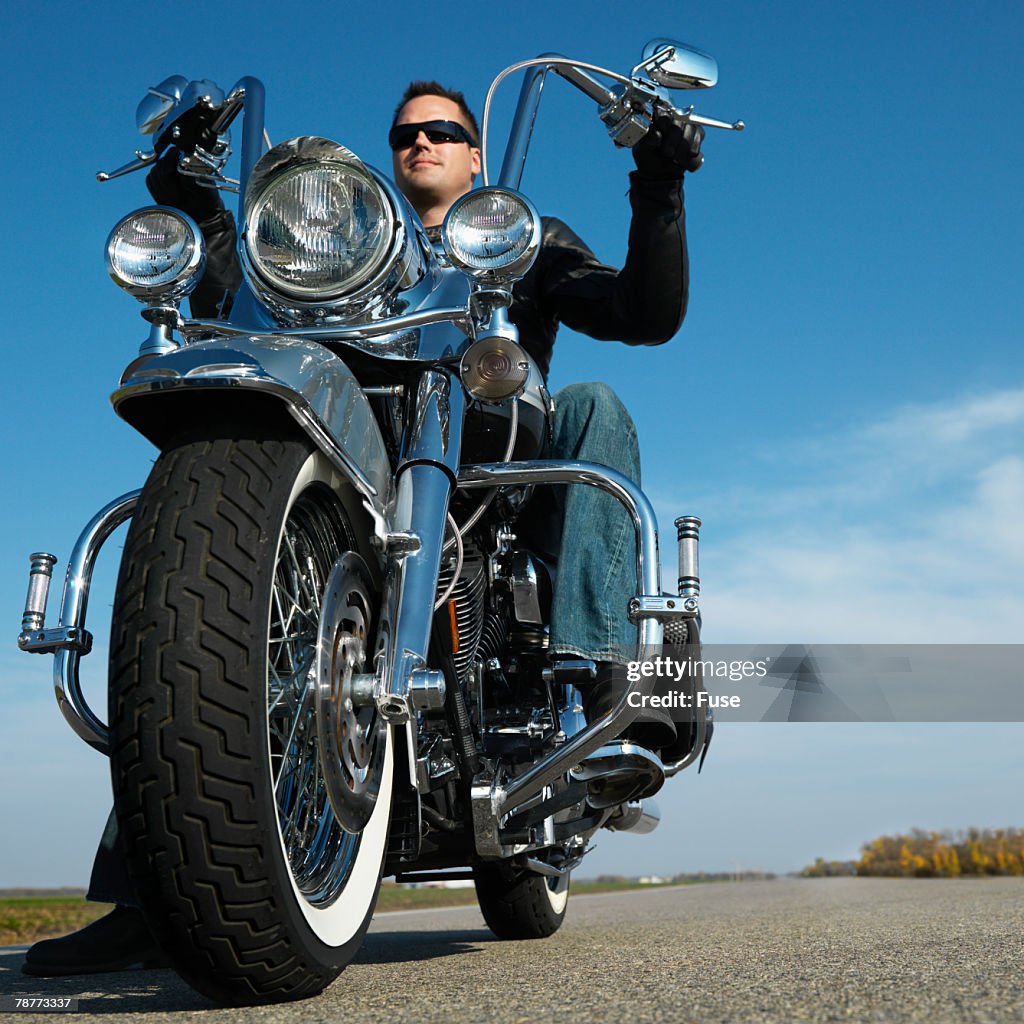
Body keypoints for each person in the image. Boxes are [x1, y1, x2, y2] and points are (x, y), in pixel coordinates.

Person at [24, 80, 703, 977]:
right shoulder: (338, 243)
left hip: (485, 479)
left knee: (593, 404)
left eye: (442, 131)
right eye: (405, 133)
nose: (420, 143)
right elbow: (233, 289)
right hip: (346, 470)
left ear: (474, 154)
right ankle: (158, 891)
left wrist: (658, 182)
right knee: (213, 607)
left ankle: (593, 673)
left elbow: (641, 314)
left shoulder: (514, 235)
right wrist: (188, 185)